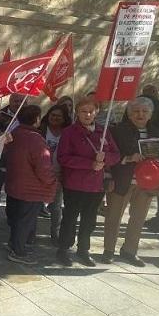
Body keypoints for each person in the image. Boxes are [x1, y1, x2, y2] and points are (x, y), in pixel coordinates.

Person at [56, 97, 120, 267]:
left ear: (96, 113)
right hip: (75, 183)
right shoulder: (69, 132)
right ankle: (63, 249)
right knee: (70, 218)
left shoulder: (103, 131)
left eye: (91, 111)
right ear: (77, 112)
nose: (88, 114)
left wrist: (105, 158)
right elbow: (63, 158)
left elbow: (116, 155)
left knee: (89, 220)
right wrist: (89, 164)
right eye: (84, 111)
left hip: (96, 186)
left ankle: (83, 249)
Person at [102, 97, 159, 267]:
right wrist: (127, 158)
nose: (140, 115)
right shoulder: (118, 130)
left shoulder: (156, 131)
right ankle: (108, 250)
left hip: (146, 183)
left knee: (138, 219)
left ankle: (130, 251)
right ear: (129, 114)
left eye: (144, 112)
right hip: (122, 180)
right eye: (136, 111)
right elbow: (110, 154)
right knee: (114, 217)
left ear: (150, 115)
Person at [5, 105, 57, 264]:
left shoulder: (14, 134)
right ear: (36, 120)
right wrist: (52, 181)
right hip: (31, 189)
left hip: (14, 184)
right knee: (25, 222)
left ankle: (13, 244)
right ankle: (18, 252)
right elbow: (43, 167)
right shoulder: (36, 139)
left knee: (16, 219)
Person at [0, 93, 24, 227]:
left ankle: (11, 217)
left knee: (14, 190)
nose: (18, 103)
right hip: (0, 157)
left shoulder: (26, 115)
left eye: (21, 101)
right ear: (10, 100)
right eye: (15, 100)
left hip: (19, 157)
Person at [39, 104, 72, 244]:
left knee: (57, 205)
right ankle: (30, 233)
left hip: (59, 173)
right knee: (36, 204)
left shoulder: (68, 132)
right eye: (53, 115)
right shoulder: (41, 129)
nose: (55, 118)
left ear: (64, 118)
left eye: (59, 116)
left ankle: (55, 233)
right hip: (40, 172)